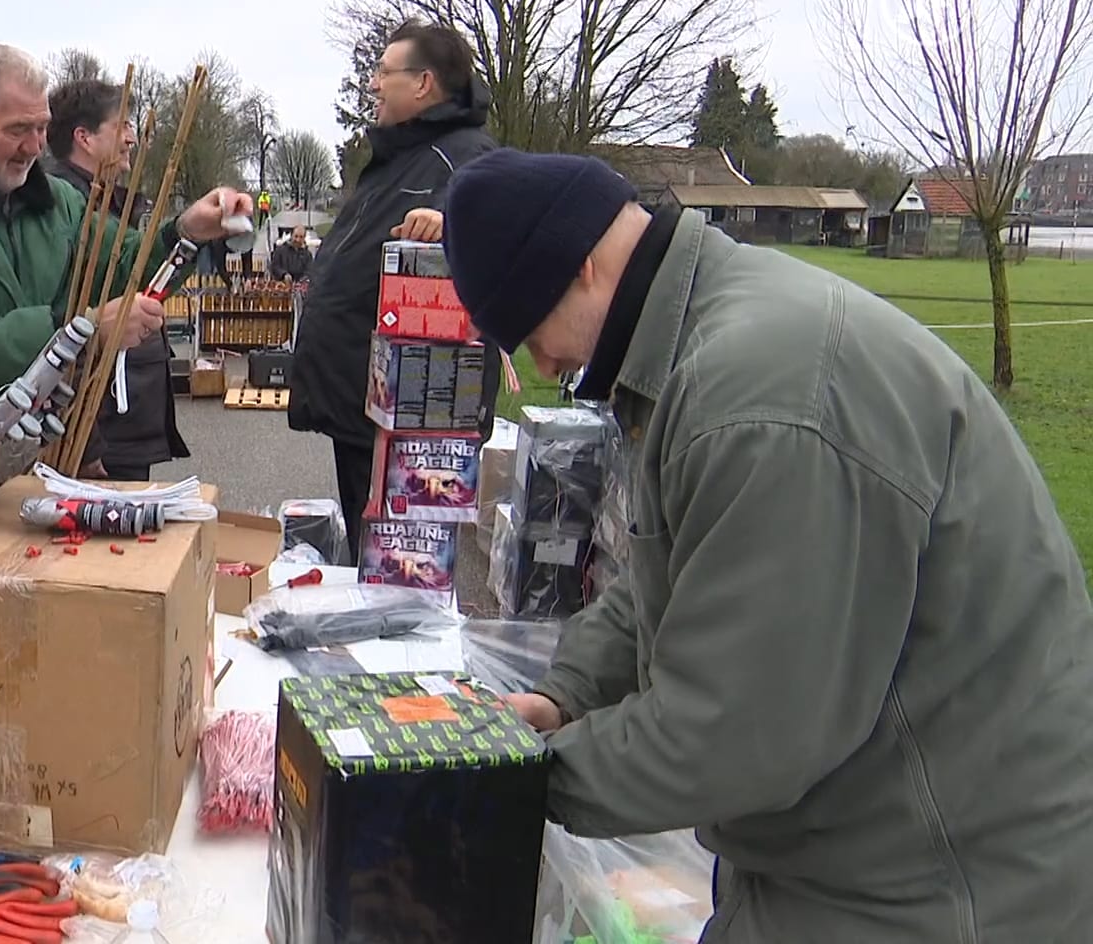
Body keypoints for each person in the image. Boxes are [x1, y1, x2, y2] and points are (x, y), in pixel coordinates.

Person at [441, 148, 1093, 943]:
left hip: (941, 880)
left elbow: (733, 734)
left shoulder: (754, 398)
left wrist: (523, 779)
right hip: (852, 839)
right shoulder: (697, 340)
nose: (542, 366)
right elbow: (675, 566)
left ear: (579, 264)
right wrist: (563, 692)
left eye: (527, 328)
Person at [0, 44, 248, 522]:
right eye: (18, 130)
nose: (36, 146)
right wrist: (80, 333)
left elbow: (121, 267)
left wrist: (185, 232)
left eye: (41, 127)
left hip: (32, 459)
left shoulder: (53, 202)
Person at [287, 19, 494, 557]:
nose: (373, 84)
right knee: (367, 555)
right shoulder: (397, 158)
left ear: (423, 83)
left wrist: (452, 224)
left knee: (400, 567)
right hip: (360, 399)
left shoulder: (465, 156)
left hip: (405, 415)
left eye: (383, 72)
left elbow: (498, 228)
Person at [45, 78, 190, 481]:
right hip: (104, 427)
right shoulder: (61, 208)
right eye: (122, 125)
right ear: (85, 138)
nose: (131, 138)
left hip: (121, 423)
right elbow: (65, 324)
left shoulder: (109, 202)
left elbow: (140, 278)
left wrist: (193, 237)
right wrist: (86, 439)